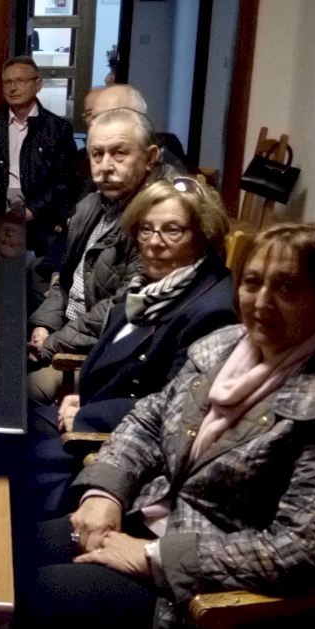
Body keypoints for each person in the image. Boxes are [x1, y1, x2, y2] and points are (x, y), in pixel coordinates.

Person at [20, 222, 315, 629]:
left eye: (287, 287)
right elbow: (148, 419)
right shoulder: (224, 346)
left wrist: (154, 558)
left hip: (213, 603)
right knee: (10, 553)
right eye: (252, 282)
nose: (262, 301)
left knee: (33, 599)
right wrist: (106, 491)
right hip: (147, 518)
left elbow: (308, 552)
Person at [26, 177, 238, 515]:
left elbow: (178, 408)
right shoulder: (151, 287)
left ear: (203, 236)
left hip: (112, 447)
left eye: (172, 231)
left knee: (0, 471)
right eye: (145, 230)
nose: (154, 243)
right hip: (88, 411)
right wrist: (82, 397)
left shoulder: (212, 310)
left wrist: (88, 414)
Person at [27, 108, 167, 397]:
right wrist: (44, 324)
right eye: (97, 154)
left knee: (17, 393)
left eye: (119, 153)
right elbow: (65, 279)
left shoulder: (157, 223)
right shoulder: (92, 204)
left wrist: (52, 343)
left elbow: (123, 311)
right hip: (67, 331)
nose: (105, 166)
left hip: (106, 354)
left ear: (150, 157)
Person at [0, 55, 79, 255]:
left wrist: (32, 209)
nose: (13, 88)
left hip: (42, 219)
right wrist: (0, 207)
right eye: (7, 82)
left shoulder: (58, 128)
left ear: (38, 84)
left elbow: (65, 181)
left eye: (20, 81)